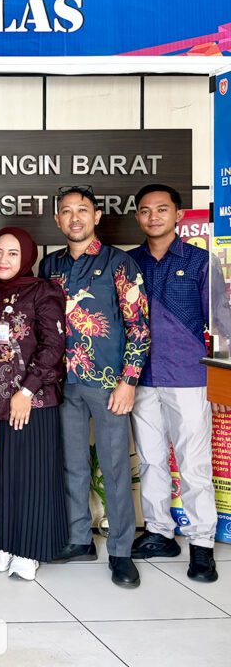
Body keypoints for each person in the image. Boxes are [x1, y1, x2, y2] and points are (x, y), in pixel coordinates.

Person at [41, 185, 149, 589]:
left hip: (108, 385)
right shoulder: (50, 265)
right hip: (61, 384)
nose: (75, 218)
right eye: (67, 211)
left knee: (115, 466)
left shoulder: (120, 263)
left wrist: (128, 381)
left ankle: (120, 551)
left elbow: (139, 327)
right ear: (58, 220)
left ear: (97, 216)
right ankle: (79, 539)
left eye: (82, 210)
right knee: (72, 464)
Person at [128, 184, 221, 582]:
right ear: (138, 217)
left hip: (188, 377)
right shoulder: (130, 263)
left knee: (194, 464)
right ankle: (159, 532)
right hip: (141, 377)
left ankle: (201, 545)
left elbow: (222, 325)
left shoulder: (201, 261)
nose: (153, 217)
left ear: (178, 215)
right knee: (151, 460)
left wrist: (222, 383)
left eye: (162, 209)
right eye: (146, 210)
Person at [0, 227, 67, 581]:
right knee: (0, 475)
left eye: (13, 253)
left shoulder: (43, 291)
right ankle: (4, 543)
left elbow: (53, 345)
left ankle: (29, 549)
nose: (3, 260)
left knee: (31, 476)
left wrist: (26, 391)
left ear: (27, 257)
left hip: (33, 401)